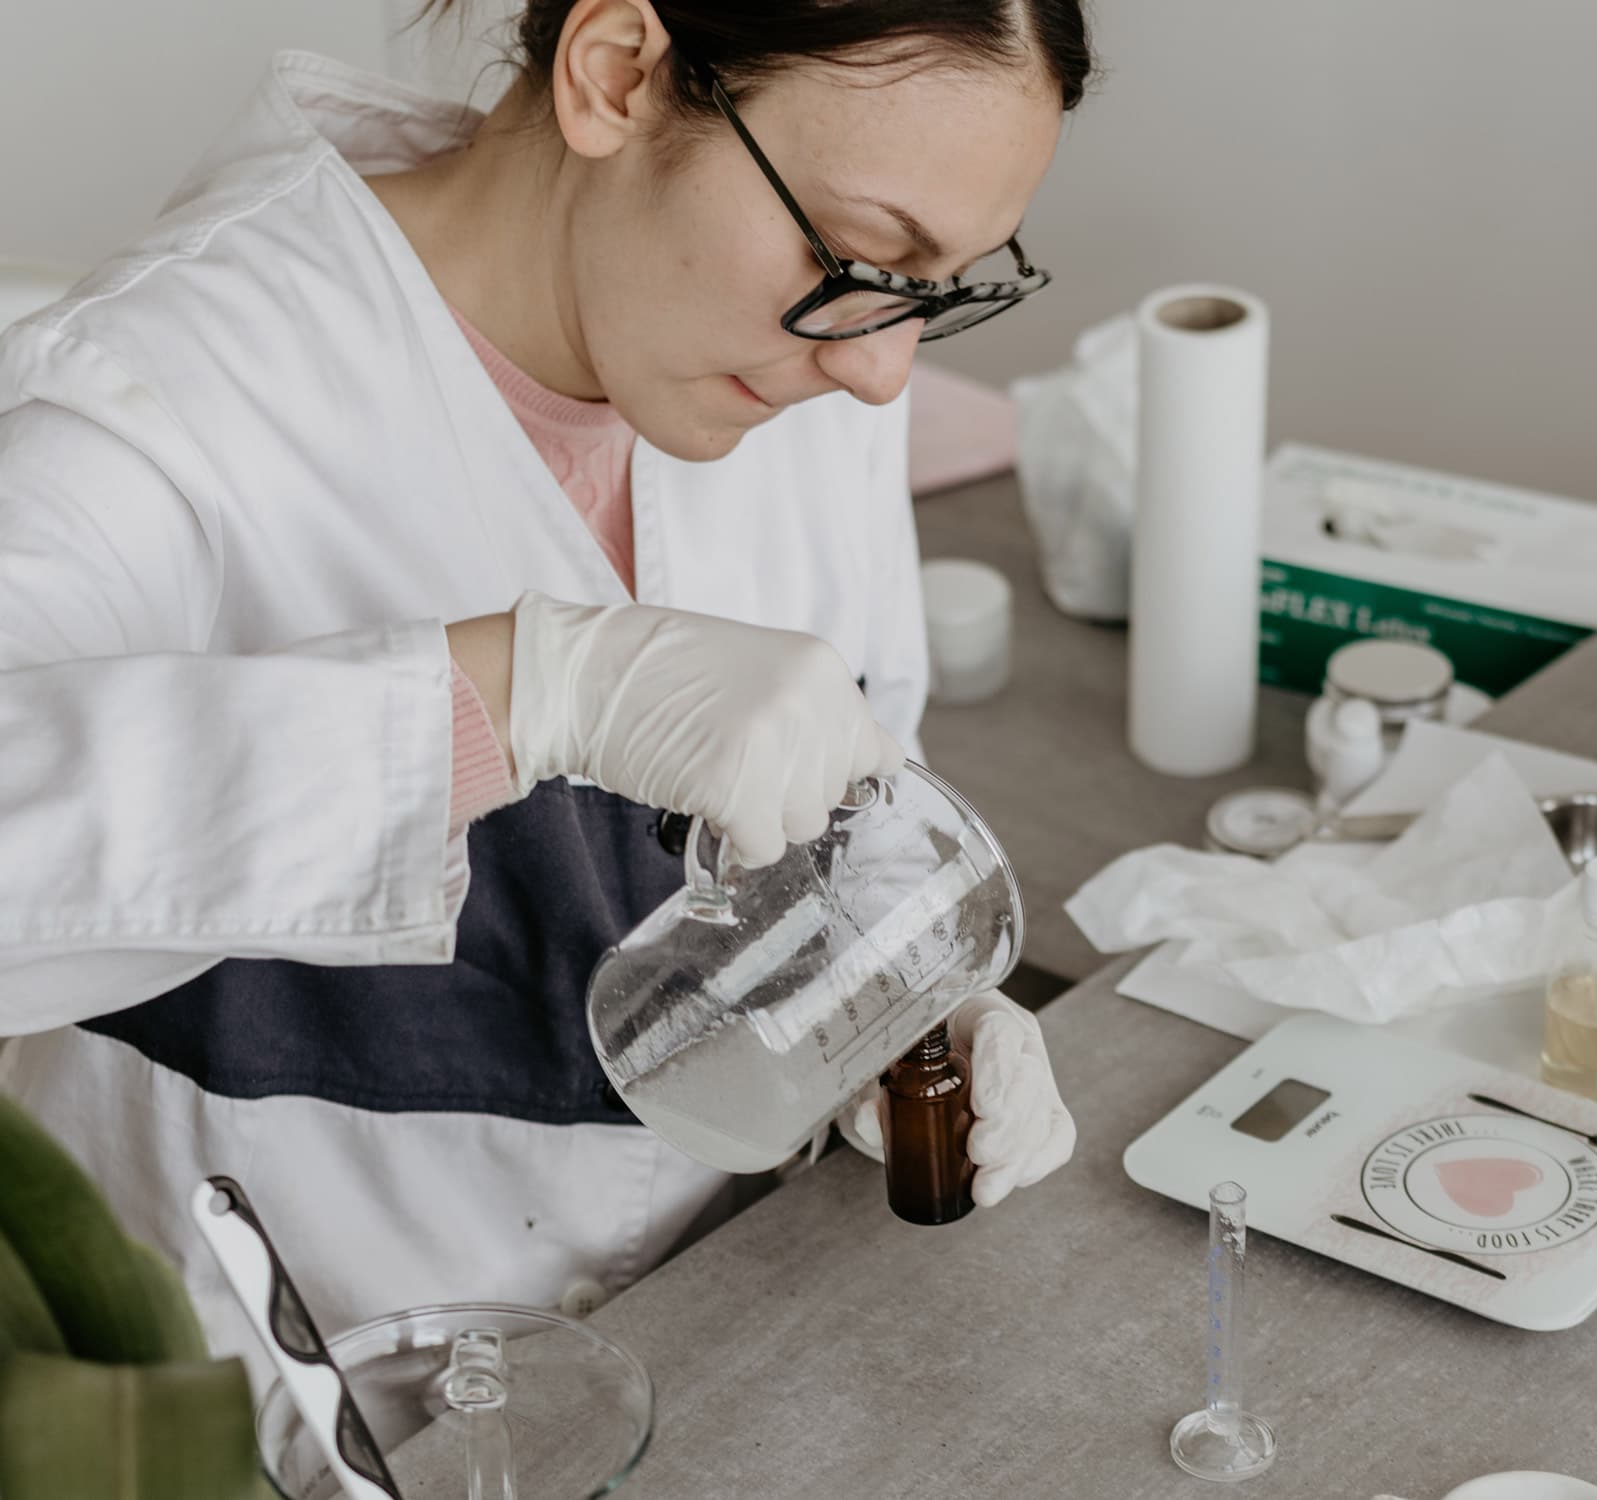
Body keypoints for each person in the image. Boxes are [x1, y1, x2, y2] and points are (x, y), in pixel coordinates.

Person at [0, 0, 1088, 1361]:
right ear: (616, 76)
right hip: (290, 1391)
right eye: (865, 255)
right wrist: (514, 695)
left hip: (710, 1341)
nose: (880, 372)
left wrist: (897, 994)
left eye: (937, 285)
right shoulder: (165, 392)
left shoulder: (783, 363)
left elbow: (848, 776)